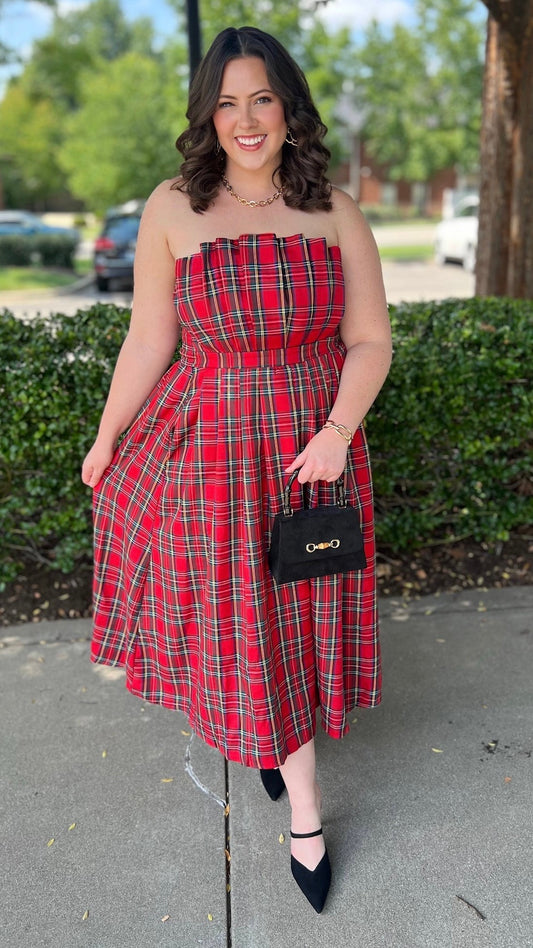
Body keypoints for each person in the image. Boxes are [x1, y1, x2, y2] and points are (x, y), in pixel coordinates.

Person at [82, 26, 392, 914]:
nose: (245, 120)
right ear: (206, 116)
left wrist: (337, 428)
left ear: (289, 108)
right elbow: (150, 338)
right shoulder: (172, 207)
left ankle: (275, 754)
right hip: (212, 446)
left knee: (293, 617)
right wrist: (107, 439)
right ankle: (306, 812)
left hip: (308, 448)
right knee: (240, 619)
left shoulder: (336, 210)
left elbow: (369, 341)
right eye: (226, 102)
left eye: (261, 99)